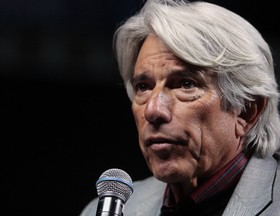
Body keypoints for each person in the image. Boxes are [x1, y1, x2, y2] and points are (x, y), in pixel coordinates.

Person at [80, 0, 280, 215]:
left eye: (186, 84)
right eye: (143, 87)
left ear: (246, 110)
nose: (153, 110)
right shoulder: (105, 210)